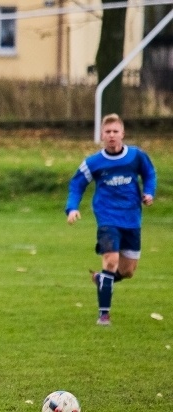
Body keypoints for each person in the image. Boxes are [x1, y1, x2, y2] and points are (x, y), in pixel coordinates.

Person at [65, 113, 157, 326]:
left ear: (123, 134)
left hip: (132, 218)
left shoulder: (136, 156)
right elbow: (77, 184)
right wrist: (72, 208)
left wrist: (149, 192)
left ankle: (101, 280)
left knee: (127, 271)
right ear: (101, 135)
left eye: (116, 131)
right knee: (111, 261)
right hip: (107, 217)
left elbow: (150, 173)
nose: (112, 135)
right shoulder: (94, 162)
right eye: (108, 132)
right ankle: (103, 315)